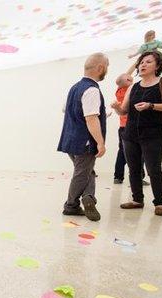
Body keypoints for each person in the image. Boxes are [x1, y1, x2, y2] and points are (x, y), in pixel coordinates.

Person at [111, 51, 162, 216]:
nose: (143, 64)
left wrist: (151, 105)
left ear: (158, 65)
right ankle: (137, 200)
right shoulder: (133, 86)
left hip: (154, 134)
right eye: (141, 62)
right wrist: (116, 107)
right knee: (134, 169)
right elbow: (124, 110)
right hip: (130, 134)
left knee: (154, 169)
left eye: (148, 61)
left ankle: (160, 203)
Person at [57, 53, 109, 222]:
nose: (107, 70)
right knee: (82, 173)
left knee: (87, 171)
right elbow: (90, 118)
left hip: (70, 139)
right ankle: (71, 206)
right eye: (107, 67)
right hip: (84, 141)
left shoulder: (74, 87)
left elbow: (68, 110)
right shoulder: (92, 89)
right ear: (100, 68)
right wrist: (100, 142)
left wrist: (100, 115)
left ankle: (88, 196)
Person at [112, 73, 149, 186]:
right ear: (128, 80)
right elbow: (126, 76)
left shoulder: (119, 91)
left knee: (122, 152)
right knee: (139, 152)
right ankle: (139, 178)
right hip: (132, 126)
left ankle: (118, 177)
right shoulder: (132, 89)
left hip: (122, 127)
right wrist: (136, 58)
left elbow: (122, 78)